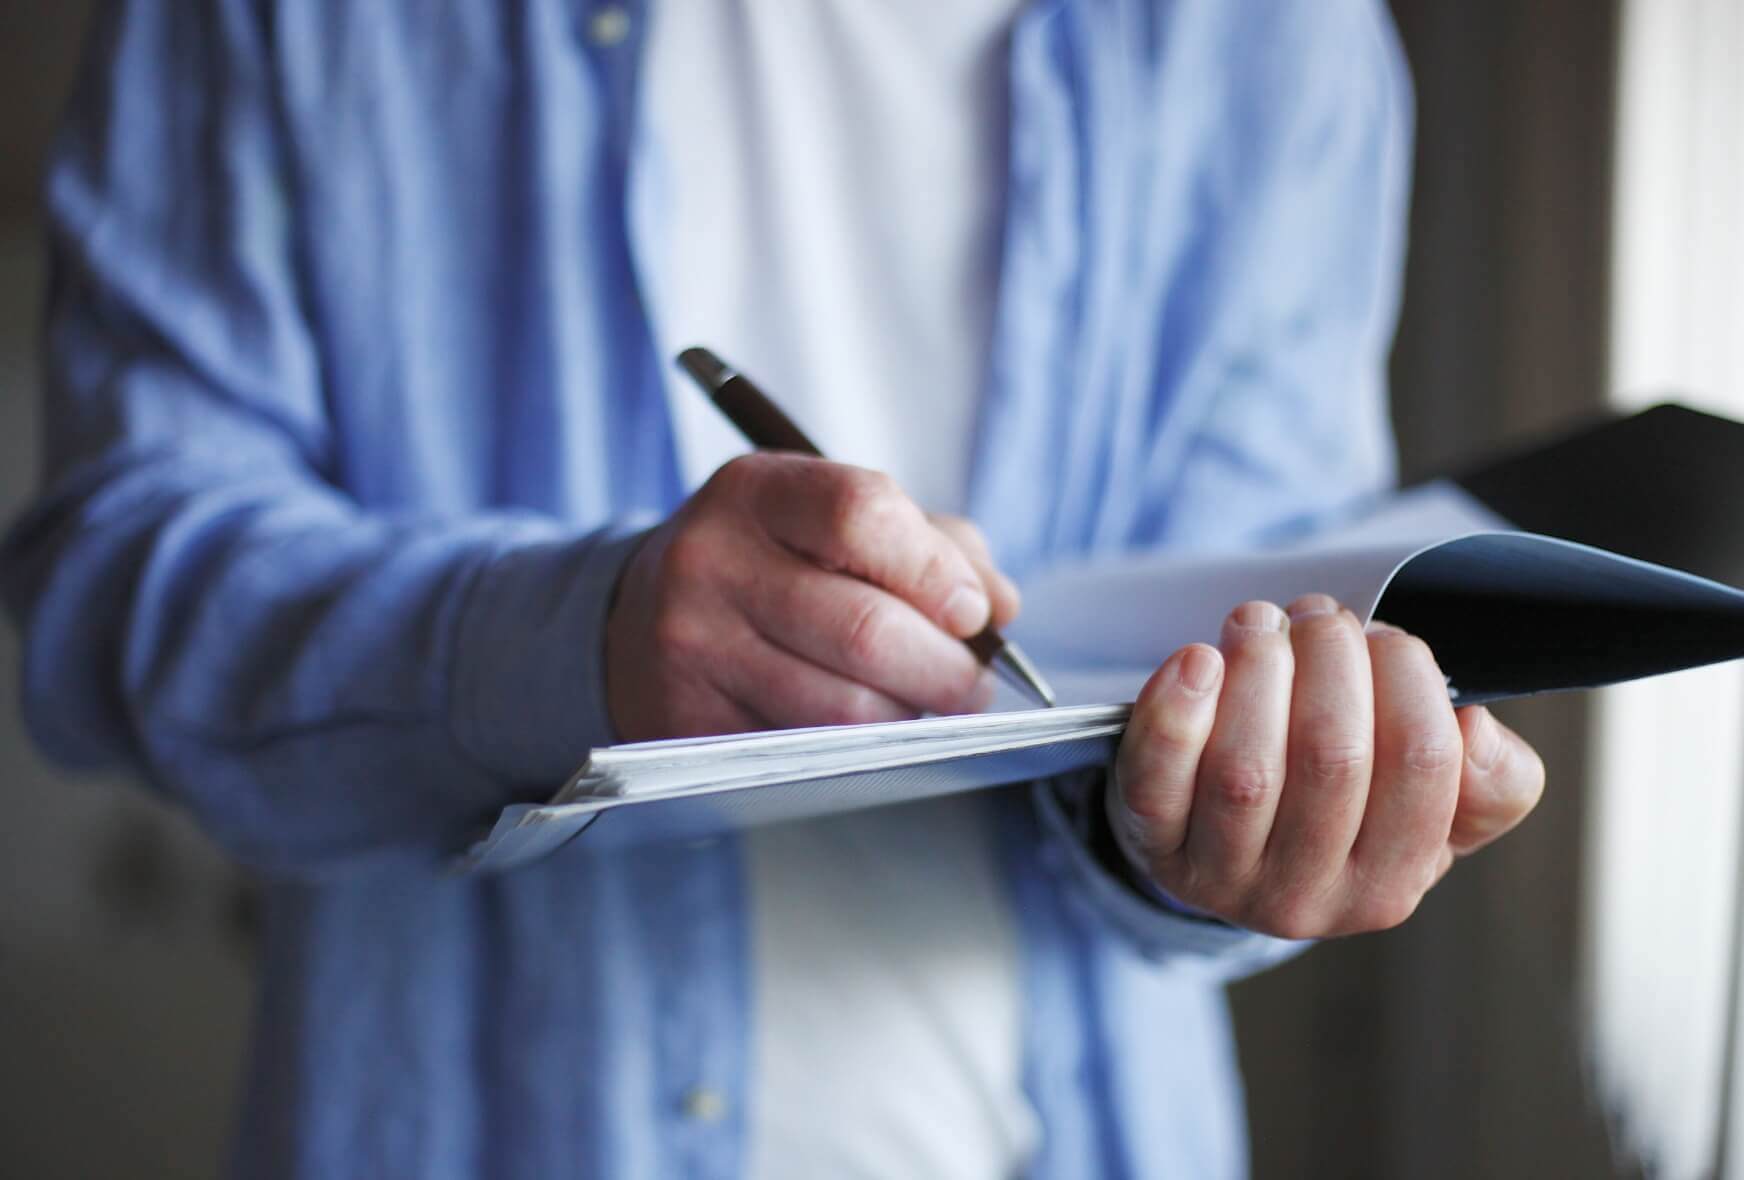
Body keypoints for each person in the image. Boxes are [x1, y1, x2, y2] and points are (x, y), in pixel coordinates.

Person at [1, 1, 1545, 1177]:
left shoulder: (1276, 44)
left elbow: (1246, 610)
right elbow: (107, 587)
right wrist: (569, 643)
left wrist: (1257, 806)